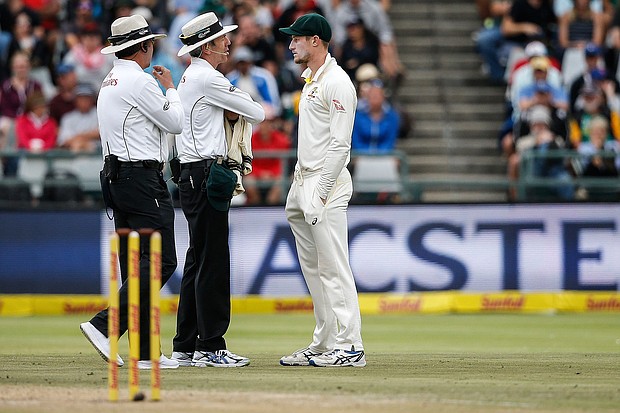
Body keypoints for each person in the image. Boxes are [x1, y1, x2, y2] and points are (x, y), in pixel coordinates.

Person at [79, 14, 184, 370]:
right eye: (150, 43)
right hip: (140, 178)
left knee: (136, 265)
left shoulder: (109, 79)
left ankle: (143, 350)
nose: (152, 48)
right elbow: (175, 123)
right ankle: (103, 325)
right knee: (161, 260)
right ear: (142, 47)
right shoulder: (139, 81)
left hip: (116, 177)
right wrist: (170, 88)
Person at [171, 12, 265, 368]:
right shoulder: (208, 79)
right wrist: (234, 106)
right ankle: (210, 345)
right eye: (222, 38)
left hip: (192, 174)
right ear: (207, 45)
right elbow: (257, 113)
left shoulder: (191, 76)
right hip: (206, 174)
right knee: (212, 262)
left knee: (198, 259)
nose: (228, 42)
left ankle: (185, 344)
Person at [278, 13, 366, 367]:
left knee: (333, 267)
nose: (290, 44)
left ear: (316, 41)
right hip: (303, 181)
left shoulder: (339, 82)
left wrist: (321, 191)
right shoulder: (312, 80)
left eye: (297, 39)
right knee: (314, 269)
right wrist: (301, 189)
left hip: (325, 184)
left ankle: (350, 346)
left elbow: (340, 146)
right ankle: (326, 341)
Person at [56, 82, 99, 152]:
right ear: (75, 100)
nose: (84, 101)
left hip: (97, 154)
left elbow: (100, 134)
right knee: (77, 145)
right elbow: (64, 141)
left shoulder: (99, 114)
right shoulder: (67, 118)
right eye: (81, 98)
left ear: (92, 99)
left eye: (87, 98)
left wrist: (80, 138)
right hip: (73, 154)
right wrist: (85, 138)